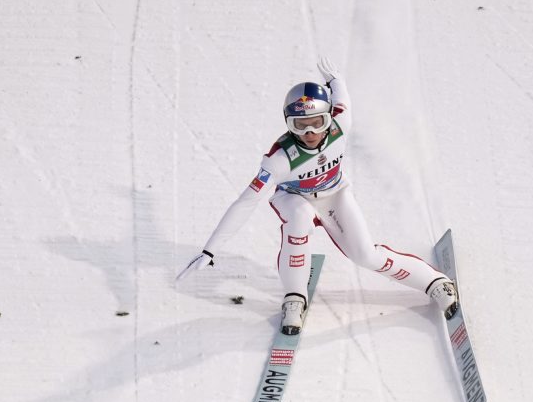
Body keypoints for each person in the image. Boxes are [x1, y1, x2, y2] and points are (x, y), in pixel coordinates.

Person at [177, 57, 458, 334]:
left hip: (334, 194)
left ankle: (434, 282)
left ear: (329, 118)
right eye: (300, 125)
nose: (310, 132)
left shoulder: (341, 125)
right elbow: (246, 201)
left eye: (317, 122)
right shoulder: (279, 160)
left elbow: (343, 98)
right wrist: (210, 249)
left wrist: (335, 80)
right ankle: (294, 298)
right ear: (288, 124)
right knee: (299, 219)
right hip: (294, 198)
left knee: (365, 256)